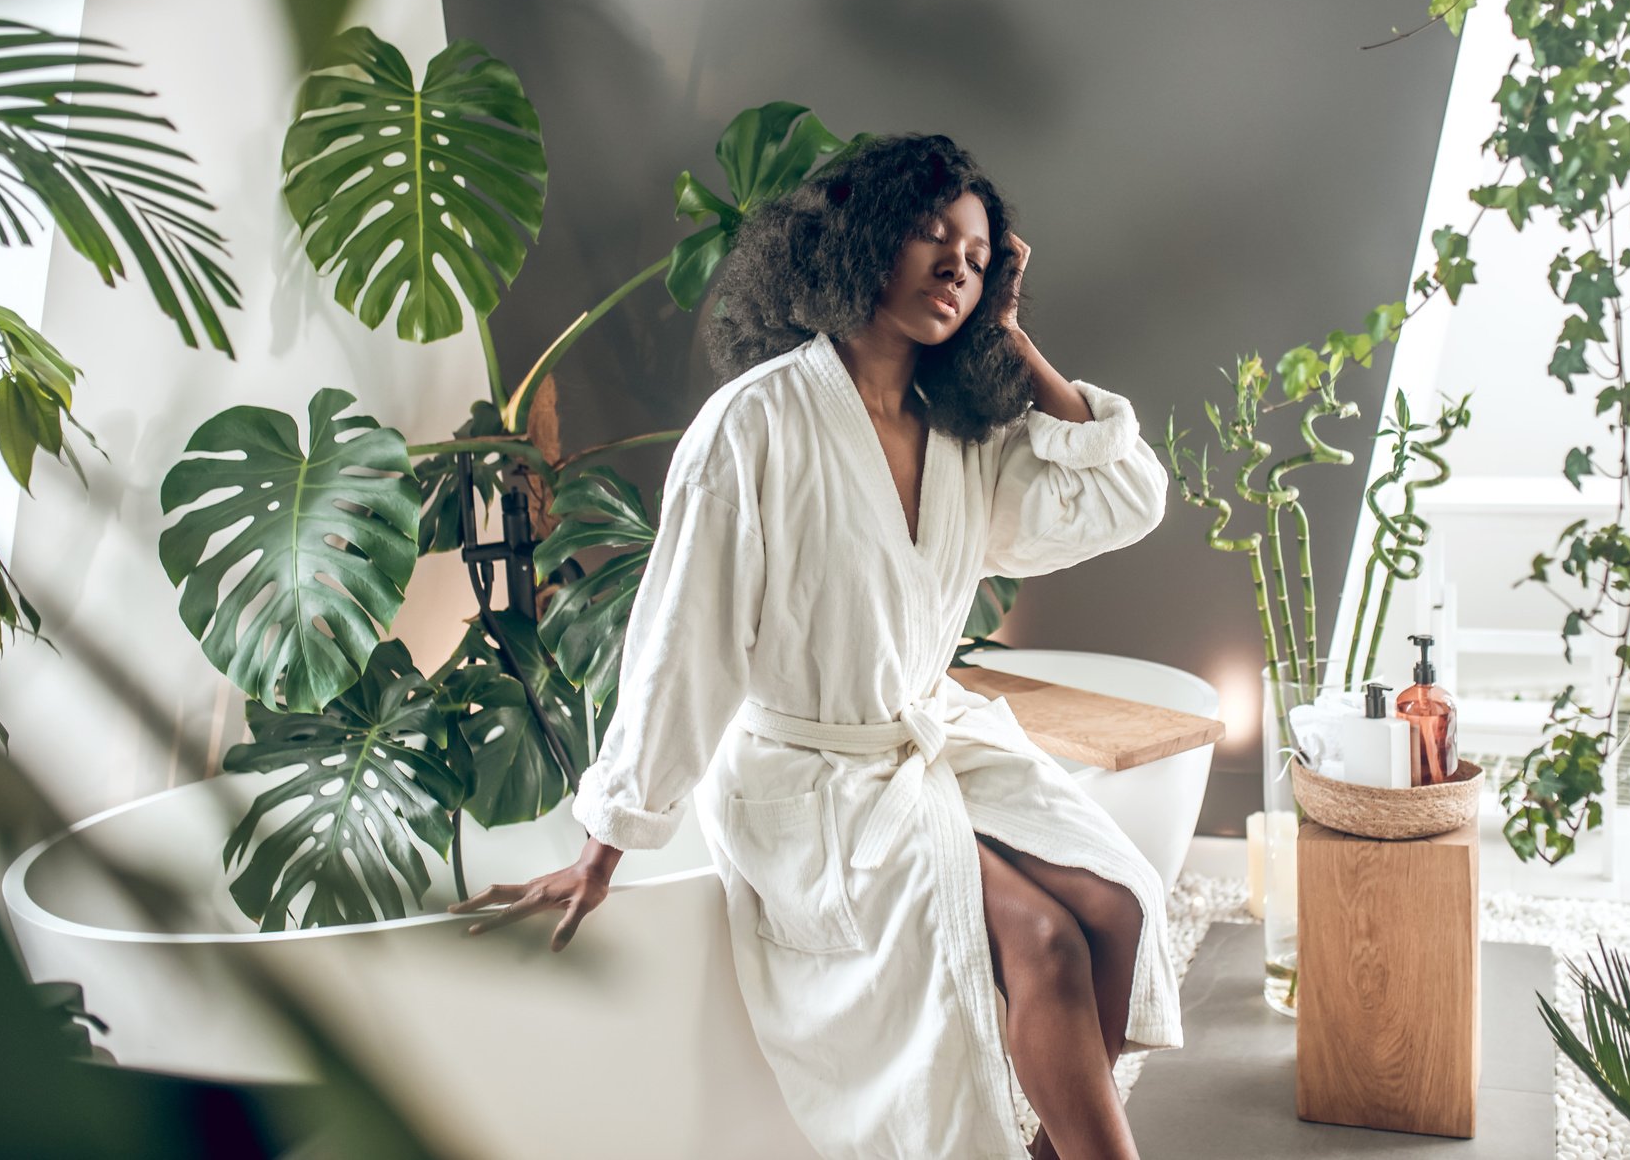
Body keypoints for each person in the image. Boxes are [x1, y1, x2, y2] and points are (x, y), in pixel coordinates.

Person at [450, 133, 1183, 1160]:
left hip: (924, 746)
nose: (954, 269)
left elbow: (1119, 496)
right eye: (930, 236)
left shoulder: (961, 434)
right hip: (811, 778)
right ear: (865, 239)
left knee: (1120, 904)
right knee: (1048, 943)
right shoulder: (755, 423)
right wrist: (608, 839)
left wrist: (1009, 336)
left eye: (978, 260)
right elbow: (681, 638)